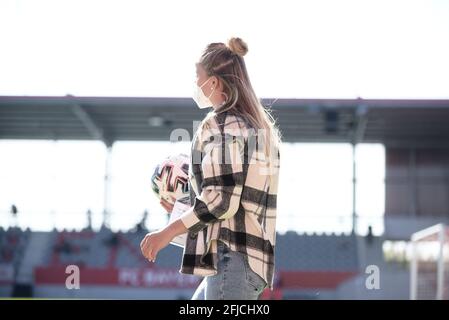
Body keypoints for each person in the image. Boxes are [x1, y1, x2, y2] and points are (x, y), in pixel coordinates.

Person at [140, 37, 281, 300]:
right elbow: (234, 202)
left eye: (198, 75)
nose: (195, 83)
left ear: (214, 81)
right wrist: (185, 207)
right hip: (246, 260)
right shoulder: (254, 126)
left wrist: (165, 233)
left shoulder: (225, 125)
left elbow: (220, 202)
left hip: (232, 260)